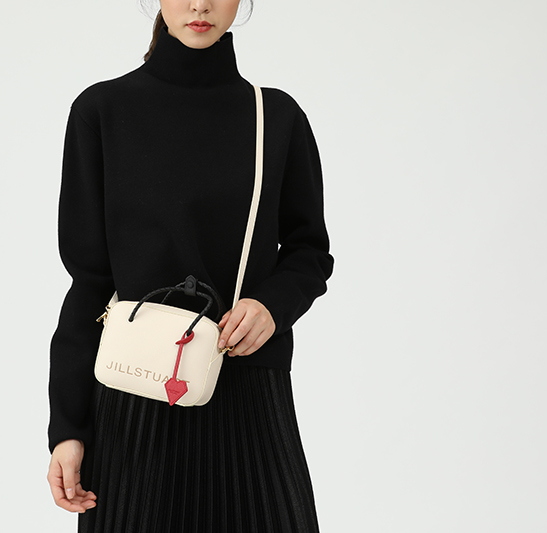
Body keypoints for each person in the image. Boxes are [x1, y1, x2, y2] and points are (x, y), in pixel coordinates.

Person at [46, 1, 334, 531]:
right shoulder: (102, 110)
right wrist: (68, 428)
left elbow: (309, 250)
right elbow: (89, 282)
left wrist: (272, 306)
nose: (200, 4)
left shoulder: (276, 117)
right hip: (134, 396)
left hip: (246, 385)